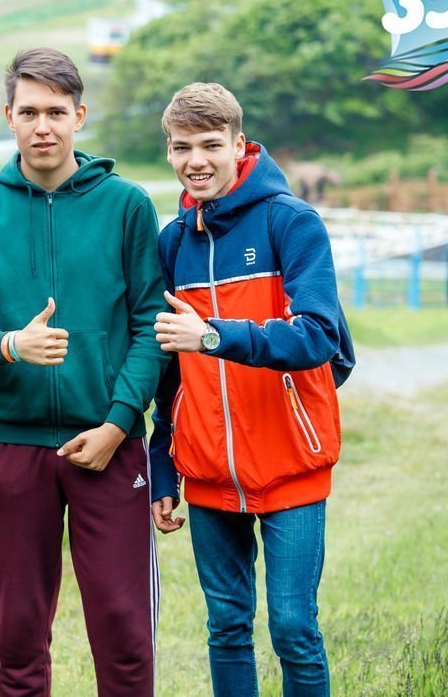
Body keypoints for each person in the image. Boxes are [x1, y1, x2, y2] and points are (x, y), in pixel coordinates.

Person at [0, 47, 170, 696]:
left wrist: (118, 423)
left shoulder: (127, 206)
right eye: (28, 112)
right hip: (14, 447)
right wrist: (12, 344)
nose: (42, 125)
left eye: (55, 112)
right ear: (8, 118)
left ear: (80, 116)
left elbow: (150, 326)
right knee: (17, 632)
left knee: (124, 627)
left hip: (109, 443)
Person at [148, 82, 355, 697]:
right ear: (168, 153)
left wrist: (214, 336)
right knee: (227, 627)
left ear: (241, 145)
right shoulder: (172, 242)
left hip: (292, 462)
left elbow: (318, 335)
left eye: (211, 144)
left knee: (293, 626)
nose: (196, 160)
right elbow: (167, 369)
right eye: (182, 147)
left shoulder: (291, 222)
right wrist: (163, 468)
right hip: (209, 470)